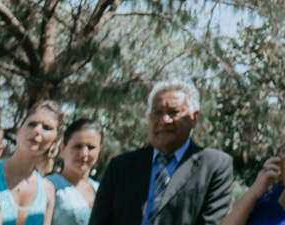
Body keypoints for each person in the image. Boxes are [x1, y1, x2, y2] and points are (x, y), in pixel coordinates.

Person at [89, 80, 232, 225]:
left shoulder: (214, 166)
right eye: (157, 112)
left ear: (194, 118)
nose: (164, 120)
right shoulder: (120, 167)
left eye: (173, 112)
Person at [0, 102, 61, 225]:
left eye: (46, 128)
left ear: (55, 142)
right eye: (32, 124)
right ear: (19, 131)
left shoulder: (47, 190)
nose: (37, 130)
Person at [48, 120, 102, 225]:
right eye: (77, 146)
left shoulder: (100, 189)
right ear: (62, 149)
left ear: (99, 150)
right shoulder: (50, 186)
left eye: (91, 147)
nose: (84, 153)